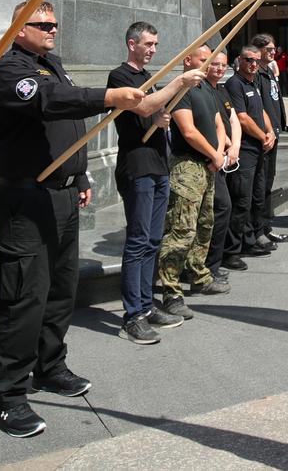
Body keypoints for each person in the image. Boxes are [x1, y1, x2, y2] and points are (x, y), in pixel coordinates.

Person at [0, 0, 149, 438]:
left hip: (61, 195)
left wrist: (79, 173)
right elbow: (52, 103)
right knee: (24, 297)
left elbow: (65, 128)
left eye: (55, 23)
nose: (53, 30)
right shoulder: (9, 69)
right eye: (43, 24)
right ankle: (9, 395)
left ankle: (50, 365)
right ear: (19, 27)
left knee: (60, 289)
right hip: (25, 200)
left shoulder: (50, 63)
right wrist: (108, 96)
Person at [108, 21, 206, 345]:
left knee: (153, 240)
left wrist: (161, 119)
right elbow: (143, 106)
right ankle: (132, 316)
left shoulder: (148, 80)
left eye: (155, 45)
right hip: (137, 168)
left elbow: (153, 113)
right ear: (131, 43)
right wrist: (177, 81)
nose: (152, 50)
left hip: (159, 166)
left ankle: (147, 306)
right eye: (148, 44)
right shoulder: (121, 76)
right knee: (137, 242)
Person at [154, 45, 231, 318]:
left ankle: (198, 275)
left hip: (209, 166)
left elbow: (218, 123)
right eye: (202, 59)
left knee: (204, 224)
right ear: (187, 60)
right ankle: (171, 291)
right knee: (181, 229)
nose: (207, 65)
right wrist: (214, 154)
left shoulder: (206, 89)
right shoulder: (181, 90)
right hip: (187, 167)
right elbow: (187, 131)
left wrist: (218, 155)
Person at [223, 45, 275, 263]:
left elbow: (261, 111)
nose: (253, 64)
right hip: (244, 150)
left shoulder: (253, 82)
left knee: (256, 197)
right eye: (248, 60)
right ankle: (233, 251)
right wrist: (263, 137)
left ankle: (250, 240)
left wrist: (270, 131)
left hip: (258, 150)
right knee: (241, 200)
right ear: (239, 61)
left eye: (256, 60)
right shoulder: (234, 84)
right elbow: (242, 118)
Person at [250, 33, 288, 247]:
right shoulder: (256, 74)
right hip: (263, 137)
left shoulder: (269, 72)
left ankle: (266, 226)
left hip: (274, 134)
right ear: (258, 50)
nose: (273, 52)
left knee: (268, 184)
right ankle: (258, 229)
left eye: (274, 49)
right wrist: (265, 131)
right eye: (269, 50)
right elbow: (257, 108)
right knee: (260, 186)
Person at [205, 64, 243, 279]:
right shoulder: (201, 89)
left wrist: (235, 144)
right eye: (214, 63)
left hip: (227, 157)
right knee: (220, 207)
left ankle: (213, 266)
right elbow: (211, 125)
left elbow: (232, 118)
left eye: (223, 64)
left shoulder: (221, 90)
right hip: (213, 159)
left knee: (227, 205)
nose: (220, 68)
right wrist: (224, 148)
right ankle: (209, 267)